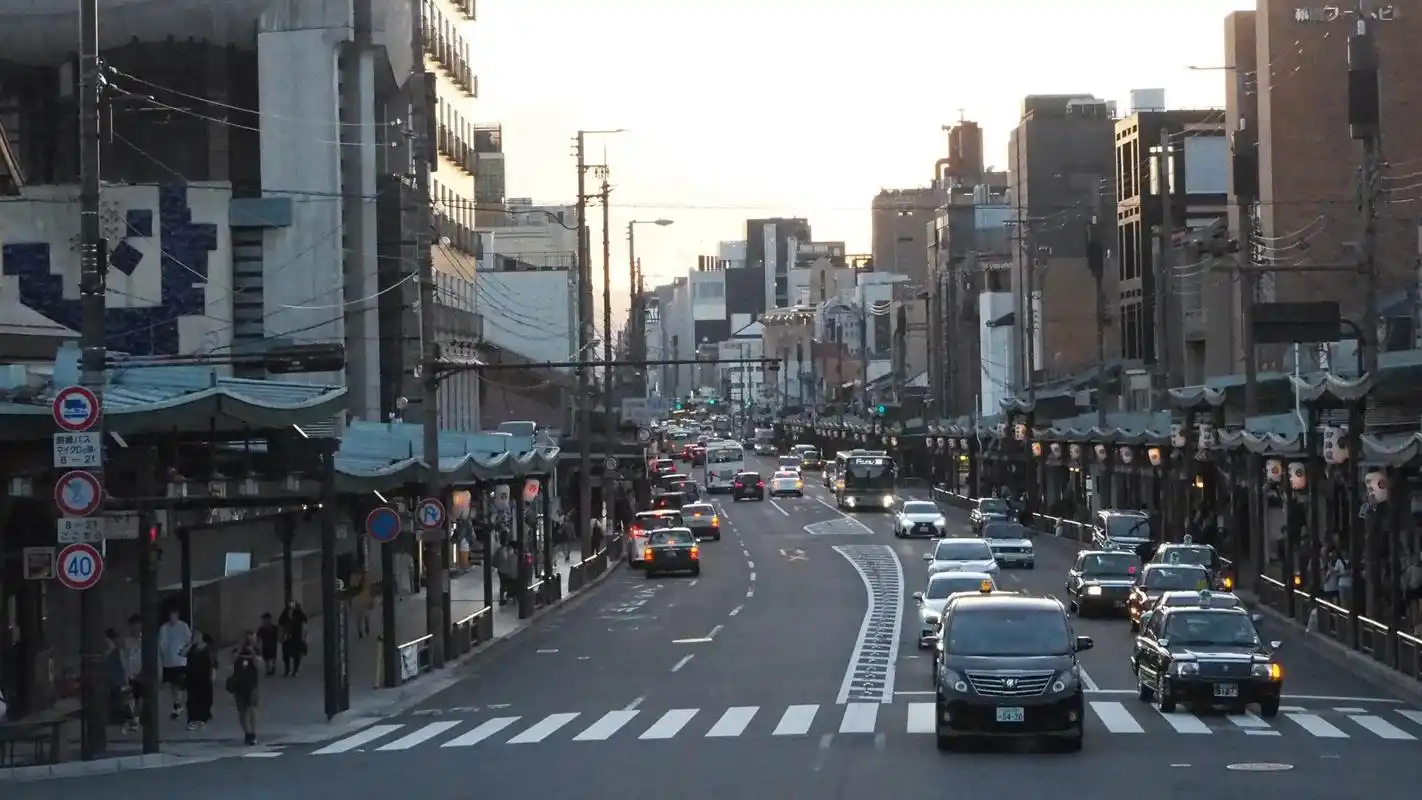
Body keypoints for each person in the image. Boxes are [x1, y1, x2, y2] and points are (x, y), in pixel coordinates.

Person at [227, 631, 263, 745]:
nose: (249, 641)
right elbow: (231, 661)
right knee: (242, 711)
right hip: (239, 684)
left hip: (252, 684)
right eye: (247, 639)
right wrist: (238, 650)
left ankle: (253, 732)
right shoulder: (238, 651)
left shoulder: (256, 652)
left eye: (252, 639)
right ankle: (247, 733)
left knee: (252, 708)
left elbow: (260, 666)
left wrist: (252, 653)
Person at [157, 606, 192, 720]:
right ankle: (177, 703)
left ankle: (178, 705)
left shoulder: (183, 627)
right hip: (168, 661)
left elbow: (189, 641)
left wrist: (185, 651)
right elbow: (161, 644)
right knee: (173, 685)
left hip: (180, 660)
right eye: (171, 615)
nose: (172, 617)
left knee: (179, 684)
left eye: (174, 614)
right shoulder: (164, 628)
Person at [185, 633, 216, 730]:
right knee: (192, 698)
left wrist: (213, 674)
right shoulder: (192, 648)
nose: (195, 638)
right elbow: (182, 653)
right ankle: (192, 719)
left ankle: (203, 718)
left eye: (196, 636)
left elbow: (213, 663)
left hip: (205, 676)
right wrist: (190, 644)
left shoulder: (208, 648)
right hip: (192, 676)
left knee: (205, 697)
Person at [277, 601, 308, 677]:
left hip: (296, 637)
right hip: (287, 638)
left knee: (296, 655)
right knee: (286, 655)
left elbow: (304, 620)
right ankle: (287, 670)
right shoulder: (285, 614)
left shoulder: (298, 613)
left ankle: (295, 670)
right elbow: (281, 621)